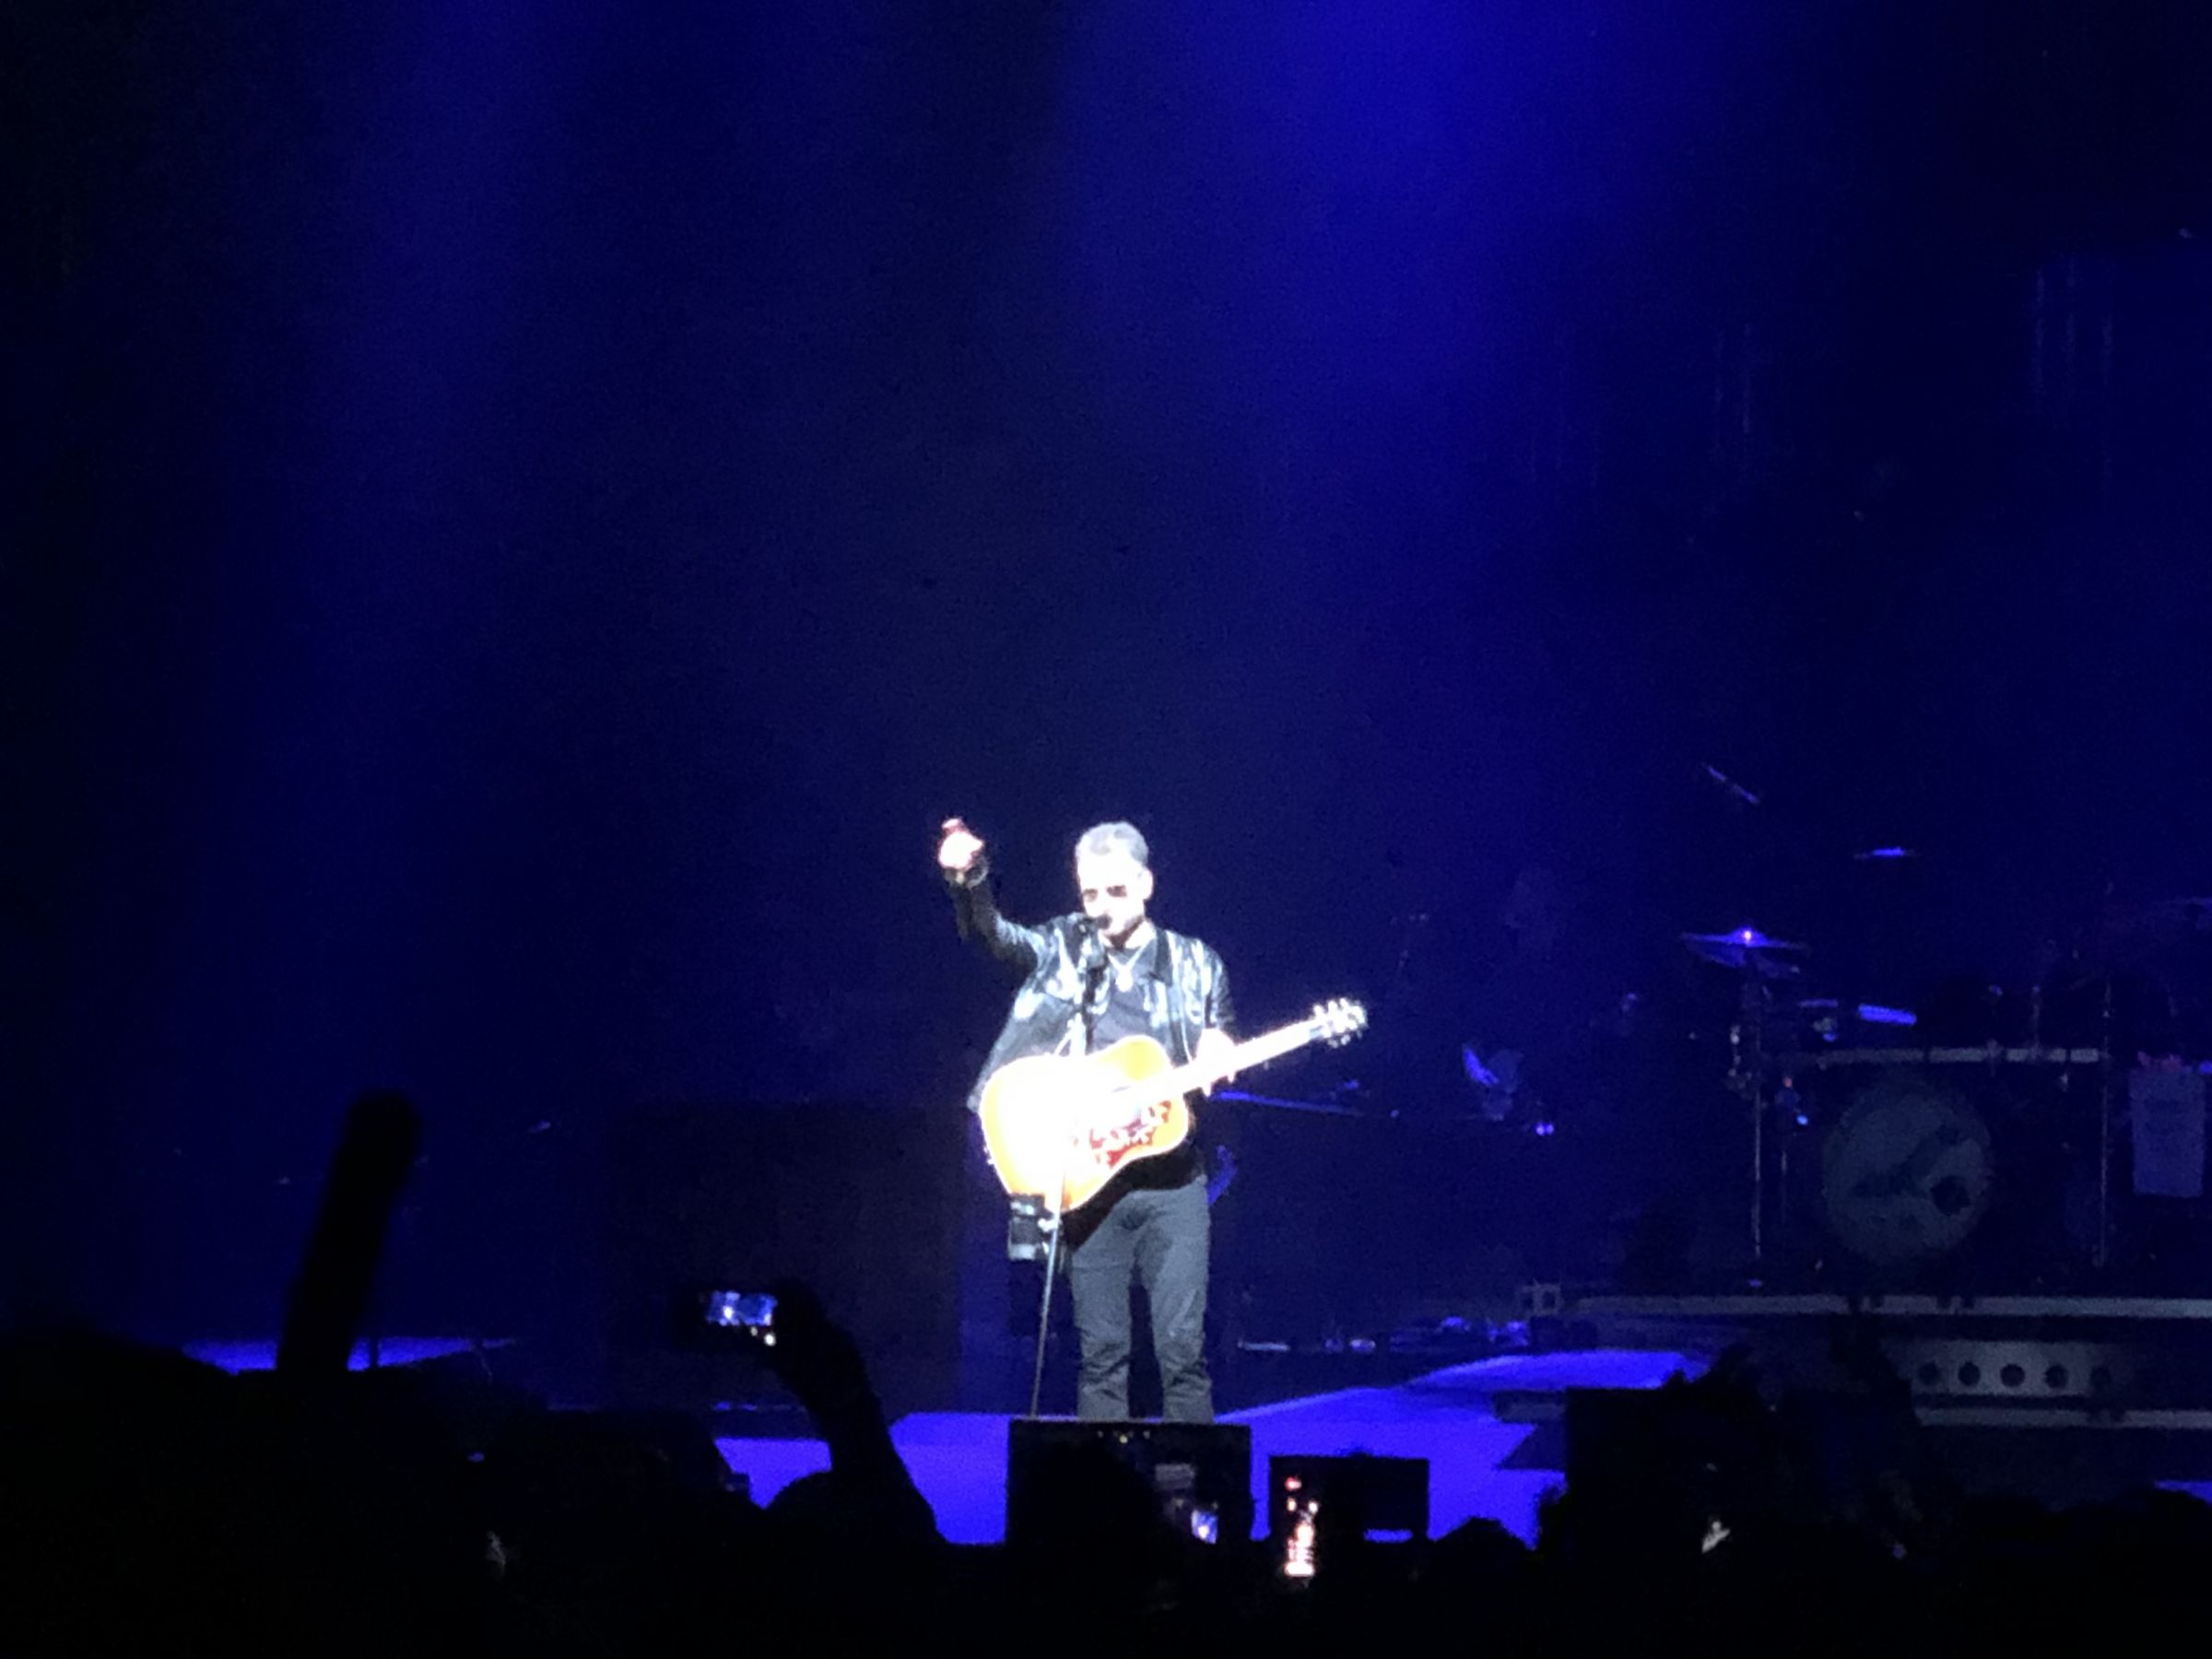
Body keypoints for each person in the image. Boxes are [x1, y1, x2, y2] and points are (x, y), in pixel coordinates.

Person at [938, 817, 1235, 1422]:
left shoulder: (1198, 964)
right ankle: (1100, 1504)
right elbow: (994, 936)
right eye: (1089, 894)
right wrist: (968, 881)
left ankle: (1191, 1501)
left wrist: (1220, 1047)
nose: (1100, 908)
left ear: (1146, 884)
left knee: (1182, 1352)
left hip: (1172, 1183)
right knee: (1101, 1355)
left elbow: (1219, 1037)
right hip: (1089, 1181)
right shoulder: (1065, 946)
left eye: (1116, 892)